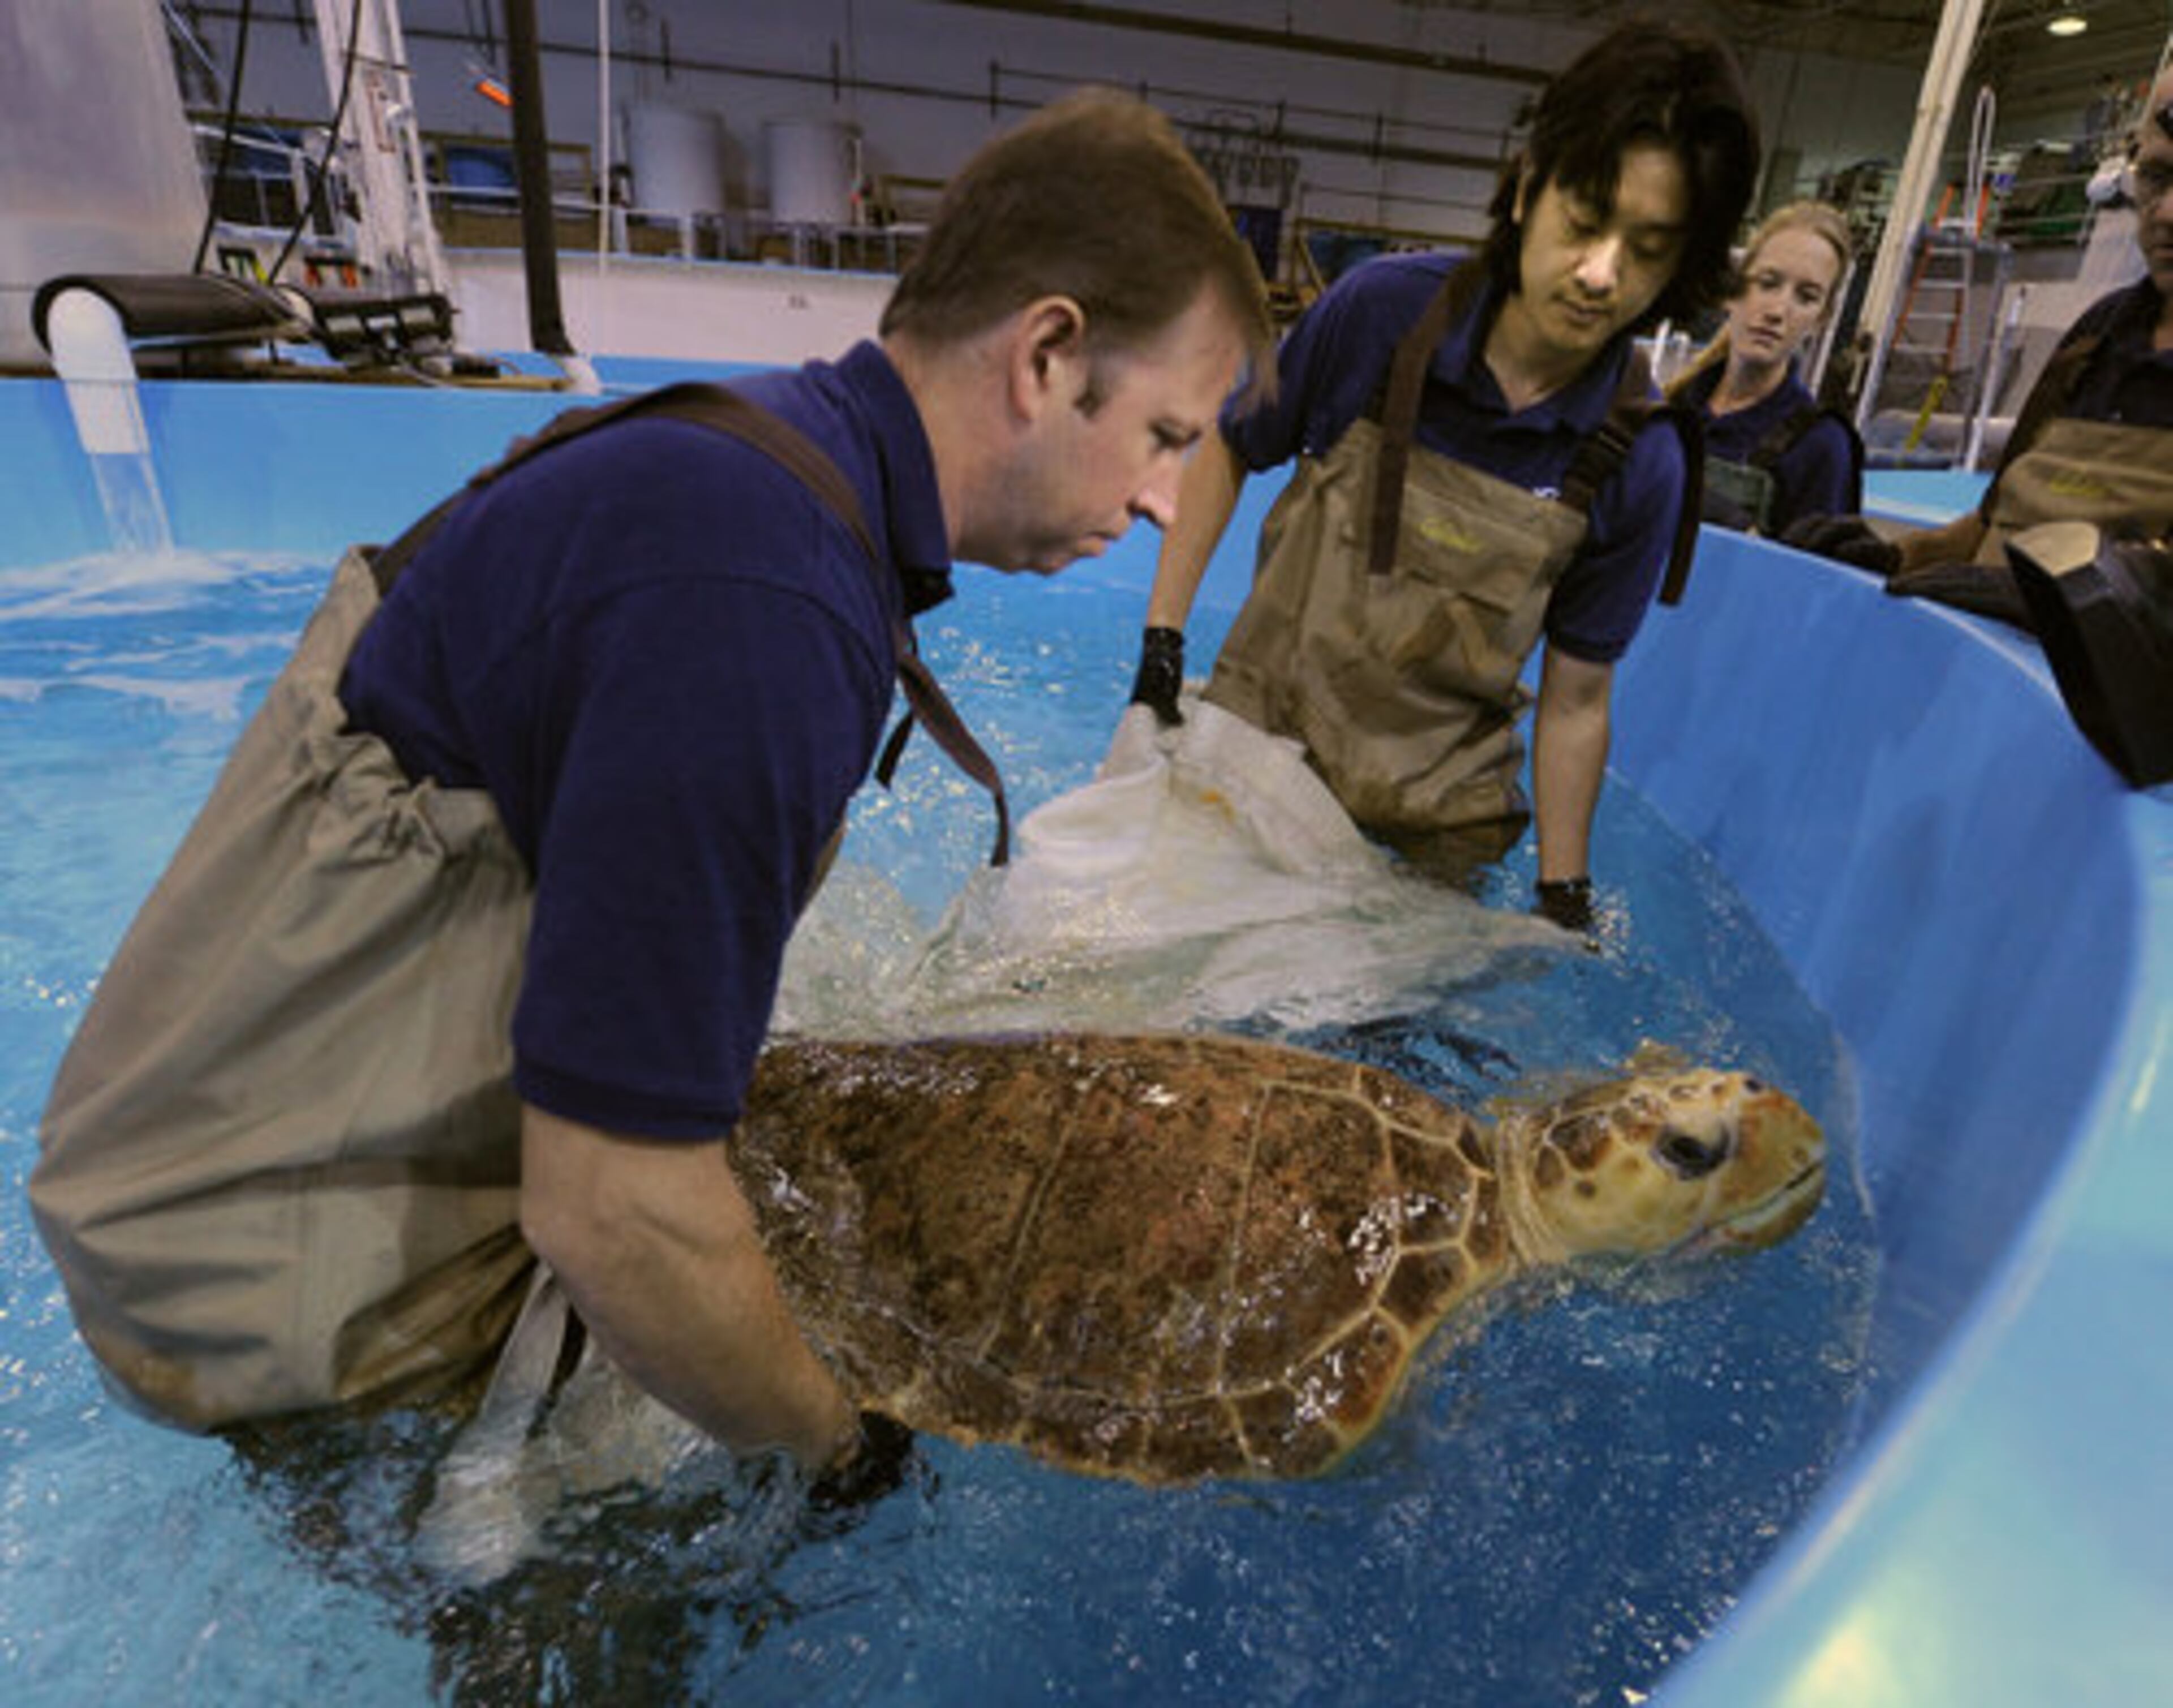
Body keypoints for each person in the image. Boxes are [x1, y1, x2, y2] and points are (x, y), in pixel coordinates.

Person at [29, 89, 1275, 1482]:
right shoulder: (757, 597)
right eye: (1169, 435)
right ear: (1046, 355)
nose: (1171, 501)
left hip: (212, 1147)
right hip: (259, 1263)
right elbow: (612, 1211)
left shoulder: (765, 462)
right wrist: (835, 1452)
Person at [1128, 23, 1760, 929]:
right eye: (1584, 220)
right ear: (1528, 190)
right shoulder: (1379, 313)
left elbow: (1578, 698)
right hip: (1255, 760)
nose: (1600, 273)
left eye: (1649, 249)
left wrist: (1563, 893)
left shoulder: (1641, 456)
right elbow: (1232, 444)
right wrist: (1162, 644)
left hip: (1424, 839)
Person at [1785, 64, 2173, 625]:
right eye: (2158, 177)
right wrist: (1898, 555)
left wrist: (2058, 606)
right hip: (1977, 678)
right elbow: (1993, 523)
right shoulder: (2096, 339)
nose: (2166, 214)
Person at [1667, 200, 1863, 537]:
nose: (1778, 311)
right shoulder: (1670, 407)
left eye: (1806, 297)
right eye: (1769, 283)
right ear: (1733, 290)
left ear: (1822, 319)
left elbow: (1814, 584)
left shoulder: (1820, 446)